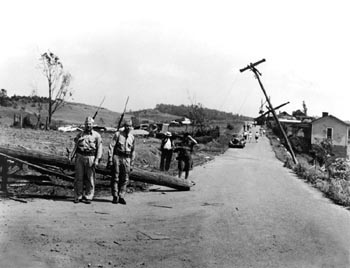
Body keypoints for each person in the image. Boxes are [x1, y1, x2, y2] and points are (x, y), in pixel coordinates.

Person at [72, 116, 102, 204]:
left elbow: (99, 149)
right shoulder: (80, 134)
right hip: (80, 157)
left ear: (93, 125)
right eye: (87, 124)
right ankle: (78, 196)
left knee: (90, 178)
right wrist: (71, 155)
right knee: (79, 177)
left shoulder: (97, 135)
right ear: (84, 125)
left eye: (90, 124)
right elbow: (75, 145)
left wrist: (97, 160)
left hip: (91, 157)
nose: (88, 126)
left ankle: (89, 196)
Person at [107, 119, 135, 205]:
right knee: (115, 177)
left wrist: (132, 163)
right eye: (127, 126)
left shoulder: (132, 137)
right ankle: (115, 196)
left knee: (125, 178)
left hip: (127, 158)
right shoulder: (118, 134)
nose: (128, 127)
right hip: (118, 157)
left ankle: (121, 196)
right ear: (124, 126)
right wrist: (110, 159)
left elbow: (133, 151)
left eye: (129, 126)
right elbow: (111, 147)